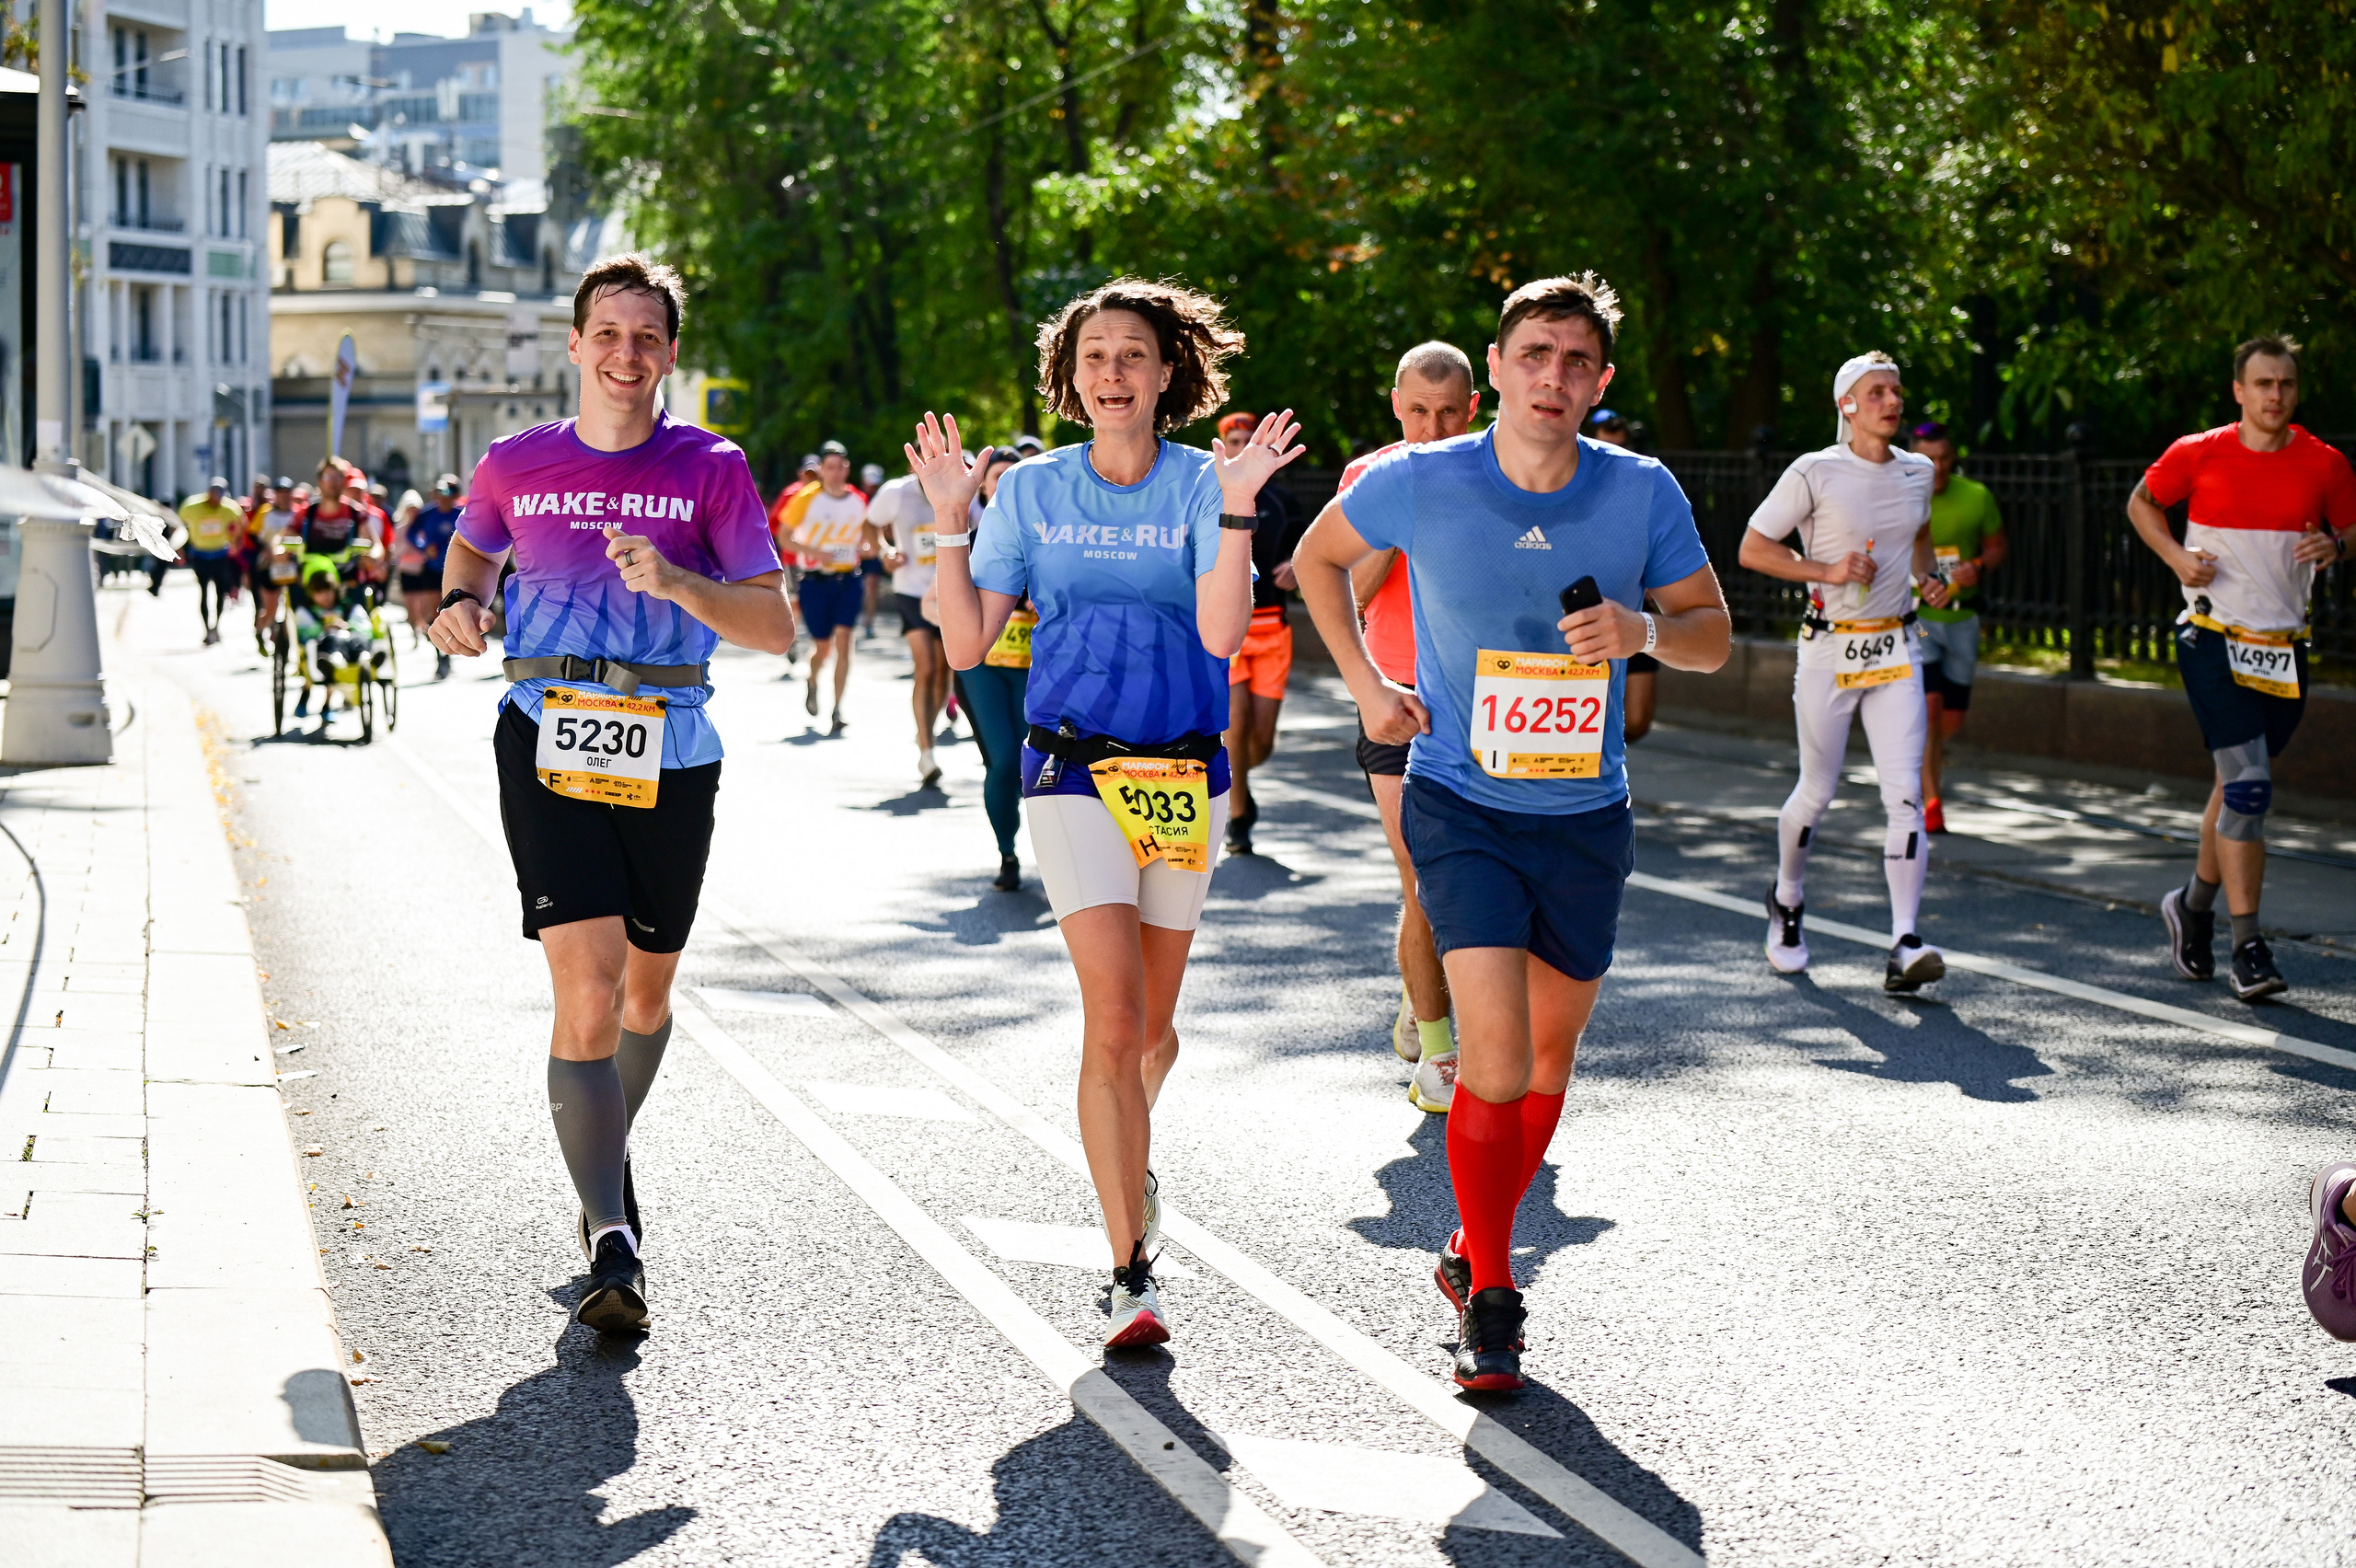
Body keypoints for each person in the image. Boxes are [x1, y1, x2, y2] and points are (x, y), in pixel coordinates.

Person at [1294, 273, 1729, 1392]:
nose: (1553, 377)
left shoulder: (1640, 490)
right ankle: (1492, 1296)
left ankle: (1468, 1245)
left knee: (1545, 1060)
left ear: (1601, 382)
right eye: (1534, 354)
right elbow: (1315, 560)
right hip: (1459, 798)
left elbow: (1712, 636)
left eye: (1576, 362)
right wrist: (1365, 682)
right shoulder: (1422, 479)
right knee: (1487, 1061)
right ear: (1496, 365)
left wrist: (1642, 631)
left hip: (1584, 812)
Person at [916, 278, 1294, 1348]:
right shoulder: (1032, 494)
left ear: (1168, 370)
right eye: (1094, 358)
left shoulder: (1199, 485)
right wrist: (952, 521)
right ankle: (1130, 1269)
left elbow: (1222, 638)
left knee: (1156, 1037)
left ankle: (1128, 1165)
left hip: (1181, 775)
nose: (1114, 374)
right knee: (1114, 1023)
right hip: (1073, 769)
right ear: (1069, 378)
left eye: (1134, 355)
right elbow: (966, 645)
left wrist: (1235, 507)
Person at [423, 253, 791, 1333]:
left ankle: (602, 1162)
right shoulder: (512, 463)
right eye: (608, 335)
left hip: (671, 745)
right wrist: (457, 607)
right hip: (545, 735)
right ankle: (610, 1235)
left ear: (668, 354)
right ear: (575, 347)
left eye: (647, 338)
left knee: (644, 992)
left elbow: (774, 627)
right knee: (583, 989)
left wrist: (679, 582)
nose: (626, 355)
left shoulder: (710, 467)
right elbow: (468, 561)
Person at [2136, 336, 2355, 1003]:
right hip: (2211, 638)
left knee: (2236, 787)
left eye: (2285, 384)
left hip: (2284, 649)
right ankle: (2248, 946)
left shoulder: (2324, 464)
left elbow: (2353, 524)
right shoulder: (2198, 451)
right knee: (2251, 788)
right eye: (2262, 384)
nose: (2275, 396)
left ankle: (2191, 905)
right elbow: (2142, 503)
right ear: (2239, 390)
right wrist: (2176, 557)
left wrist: (2338, 544)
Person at [1738, 352, 1953, 994]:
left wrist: (1931, 579)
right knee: (1818, 791)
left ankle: (1906, 940)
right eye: (1877, 391)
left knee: (1905, 795)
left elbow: (1917, 540)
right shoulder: (1815, 471)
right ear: (1848, 406)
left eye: (1897, 391)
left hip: (1896, 648)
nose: (1893, 401)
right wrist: (1827, 572)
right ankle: (1788, 898)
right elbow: (1754, 548)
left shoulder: (1919, 472)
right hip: (1830, 648)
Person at [1341, 341, 1480, 1113]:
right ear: (1398, 406)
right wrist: (1402, 520)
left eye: (1449, 412)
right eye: (1418, 412)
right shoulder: (1370, 477)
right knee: (1422, 878)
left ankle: (1420, 988)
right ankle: (1436, 1051)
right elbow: (1354, 590)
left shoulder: (1501, 472)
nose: (1432, 428)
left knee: (1479, 879)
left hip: (1478, 700)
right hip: (1395, 698)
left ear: (1473, 410)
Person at [1211, 411, 1308, 856]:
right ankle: (1238, 815)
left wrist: (1300, 568)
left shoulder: (1285, 502)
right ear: (1223, 444)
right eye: (1234, 439)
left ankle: (1238, 784)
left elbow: (1315, 553)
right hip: (1230, 633)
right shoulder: (1212, 496)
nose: (1241, 445)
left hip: (1274, 630)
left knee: (1261, 741)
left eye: (1249, 439)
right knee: (1236, 724)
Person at [1907, 422, 2006, 833]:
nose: (1939, 466)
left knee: (1951, 719)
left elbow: (1997, 546)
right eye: (1930, 459)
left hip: (1962, 619)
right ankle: (1932, 801)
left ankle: (1919, 756)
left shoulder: (1976, 496)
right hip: (1921, 621)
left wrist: (1977, 567)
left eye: (1946, 457)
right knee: (1929, 709)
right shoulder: (1903, 497)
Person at [944, 447, 1031, 889]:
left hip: (1037, 668)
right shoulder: (971, 538)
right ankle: (1008, 853)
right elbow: (933, 603)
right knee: (1002, 761)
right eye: (998, 477)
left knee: (1034, 764)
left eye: (1016, 476)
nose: (1006, 485)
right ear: (983, 485)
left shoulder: (1052, 537)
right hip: (984, 667)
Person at [869, 459, 953, 787]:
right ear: (913, 461)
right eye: (924, 457)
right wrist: (885, 551)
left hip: (949, 593)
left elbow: (982, 522)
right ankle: (926, 749)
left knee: (945, 670)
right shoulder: (896, 492)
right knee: (927, 667)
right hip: (910, 590)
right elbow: (870, 524)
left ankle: (929, 730)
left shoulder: (958, 488)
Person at [789, 440, 868, 730]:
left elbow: (867, 534)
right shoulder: (806, 498)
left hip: (848, 579)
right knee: (823, 648)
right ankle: (812, 680)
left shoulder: (858, 499)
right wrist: (815, 553)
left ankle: (837, 709)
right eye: (830, 467)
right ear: (822, 469)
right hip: (815, 582)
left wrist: (871, 546)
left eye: (841, 466)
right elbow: (784, 536)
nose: (835, 472)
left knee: (845, 642)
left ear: (847, 468)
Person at [405, 476, 466, 677]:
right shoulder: (427, 513)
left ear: (455, 495)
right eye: (438, 493)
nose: (442, 498)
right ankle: (441, 657)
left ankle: (452, 649)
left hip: (456, 571)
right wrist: (424, 548)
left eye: (446, 493)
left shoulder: (462, 514)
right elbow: (411, 533)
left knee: (453, 612)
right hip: (432, 570)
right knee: (435, 614)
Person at [178, 478, 245, 644]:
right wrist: (178, 546)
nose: (217, 500)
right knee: (204, 592)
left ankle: (216, 627)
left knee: (221, 593)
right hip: (200, 555)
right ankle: (207, 629)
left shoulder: (229, 507)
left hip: (220, 555)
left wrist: (235, 541)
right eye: (215, 495)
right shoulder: (192, 506)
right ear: (208, 493)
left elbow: (242, 522)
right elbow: (178, 524)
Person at [248, 478, 299, 652]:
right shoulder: (265, 513)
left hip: (293, 565)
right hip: (271, 565)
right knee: (270, 610)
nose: (284, 497)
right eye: (280, 493)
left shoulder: (298, 514)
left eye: (287, 493)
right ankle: (260, 630)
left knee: (296, 607)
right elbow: (255, 536)